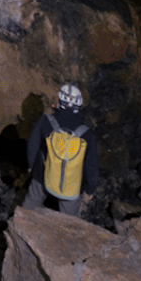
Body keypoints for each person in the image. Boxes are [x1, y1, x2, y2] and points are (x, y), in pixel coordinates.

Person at [23, 83, 100, 216]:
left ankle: (21, 223)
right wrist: (90, 190)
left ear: (60, 101)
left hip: (43, 176)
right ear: (79, 104)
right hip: (71, 184)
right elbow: (91, 165)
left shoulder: (45, 120)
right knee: (70, 221)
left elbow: (33, 144)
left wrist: (30, 165)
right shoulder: (87, 134)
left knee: (32, 201)